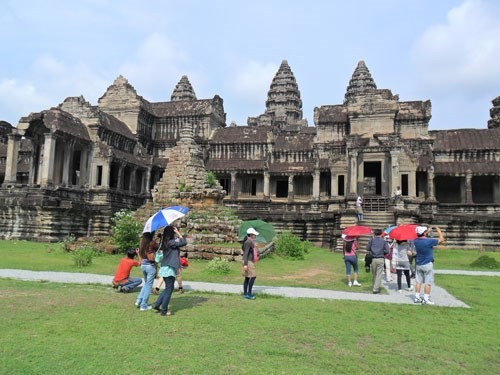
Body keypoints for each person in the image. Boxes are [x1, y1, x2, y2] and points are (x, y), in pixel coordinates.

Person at [153, 225, 187, 316]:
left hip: (165, 266)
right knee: (169, 288)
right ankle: (164, 310)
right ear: (171, 233)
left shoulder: (165, 242)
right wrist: (178, 232)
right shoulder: (171, 242)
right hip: (170, 267)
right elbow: (184, 242)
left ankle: (157, 304)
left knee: (168, 288)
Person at [413, 225, 445, 305]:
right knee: (428, 282)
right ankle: (426, 299)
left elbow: (421, 235)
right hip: (427, 263)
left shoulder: (415, 241)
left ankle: (417, 297)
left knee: (418, 282)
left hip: (419, 263)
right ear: (424, 233)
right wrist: (438, 230)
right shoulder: (429, 241)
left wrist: (426, 231)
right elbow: (442, 240)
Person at [135, 232, 158, 311]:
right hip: (150, 267)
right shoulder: (152, 243)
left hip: (143, 266)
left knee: (146, 284)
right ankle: (143, 305)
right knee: (148, 286)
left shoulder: (142, 243)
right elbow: (158, 248)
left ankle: (139, 300)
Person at [366, 229, 390, 294]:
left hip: (373, 259)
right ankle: (375, 288)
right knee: (378, 274)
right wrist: (383, 252)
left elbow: (367, 248)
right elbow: (387, 251)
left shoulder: (372, 240)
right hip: (381, 258)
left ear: (374, 234)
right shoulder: (383, 241)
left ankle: (375, 287)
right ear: (381, 234)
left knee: (374, 274)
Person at [242, 227, 259, 300]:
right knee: (253, 276)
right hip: (248, 261)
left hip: (248, 261)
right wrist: (245, 264)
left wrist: (254, 246)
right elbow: (245, 253)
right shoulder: (248, 242)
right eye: (254, 234)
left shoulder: (250, 242)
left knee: (247, 278)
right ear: (251, 234)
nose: (255, 236)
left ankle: (246, 294)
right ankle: (249, 294)